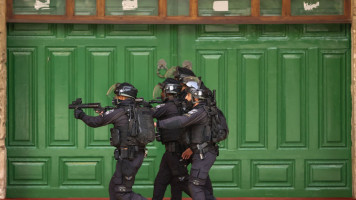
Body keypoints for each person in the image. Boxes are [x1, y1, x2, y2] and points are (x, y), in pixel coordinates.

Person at [74, 82, 147, 200]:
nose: (115, 98)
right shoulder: (139, 109)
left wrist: (81, 115)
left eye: (117, 95)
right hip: (136, 154)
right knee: (114, 187)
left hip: (128, 156)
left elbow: (95, 122)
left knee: (121, 192)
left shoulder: (119, 112)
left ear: (123, 96)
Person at [157, 86, 218, 200]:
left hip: (203, 153)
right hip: (200, 151)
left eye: (189, 95)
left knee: (195, 185)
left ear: (196, 98)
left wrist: (159, 124)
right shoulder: (206, 110)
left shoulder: (200, 111)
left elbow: (181, 121)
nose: (186, 97)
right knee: (195, 184)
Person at [152, 78, 191, 200]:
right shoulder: (183, 105)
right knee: (162, 181)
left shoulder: (168, 106)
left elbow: (147, 114)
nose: (161, 93)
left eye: (163, 90)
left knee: (182, 181)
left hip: (175, 151)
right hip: (174, 151)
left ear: (168, 90)